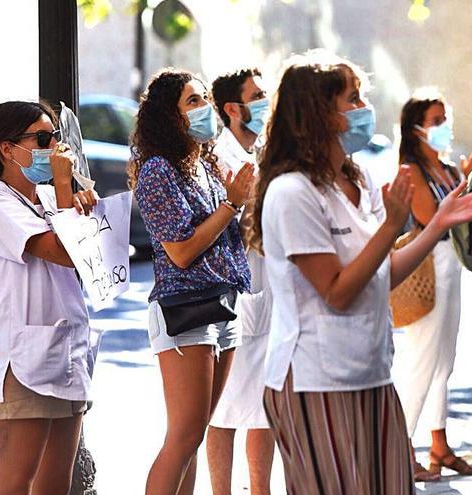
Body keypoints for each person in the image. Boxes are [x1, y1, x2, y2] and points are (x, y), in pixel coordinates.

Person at [253, 51, 472, 495]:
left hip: (371, 372)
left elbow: (382, 273)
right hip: (316, 380)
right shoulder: (292, 192)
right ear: (319, 112)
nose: (364, 107)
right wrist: (390, 226)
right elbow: (337, 291)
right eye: (352, 98)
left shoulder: (359, 178)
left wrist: (438, 222)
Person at [129, 69, 255, 495]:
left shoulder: (204, 165)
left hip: (224, 302)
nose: (205, 108)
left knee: (195, 438)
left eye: (205, 98)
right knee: (182, 438)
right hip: (185, 310)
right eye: (192, 101)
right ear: (170, 115)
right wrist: (231, 204)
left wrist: (241, 206)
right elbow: (181, 251)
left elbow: (225, 233)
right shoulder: (158, 171)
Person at [0, 100, 99, 495]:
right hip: (26, 359)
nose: (53, 149)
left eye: (55, 138)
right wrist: (65, 188)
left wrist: (83, 208)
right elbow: (63, 251)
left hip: (68, 351)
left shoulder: (44, 198)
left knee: (55, 484)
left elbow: (90, 256)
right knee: (13, 481)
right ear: (7, 149)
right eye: (42, 139)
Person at [391, 88, 472, 482]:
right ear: (415, 130)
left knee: (444, 361)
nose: (444, 127)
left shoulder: (447, 168)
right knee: (420, 360)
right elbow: (434, 219)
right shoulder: (411, 172)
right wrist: (467, 184)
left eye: (446, 119)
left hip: (453, 266)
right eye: (435, 121)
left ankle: (439, 444)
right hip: (426, 269)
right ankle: (399, 448)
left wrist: (471, 176)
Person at [208, 67, 277, 495]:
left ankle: (261, 489)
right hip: (236, 289)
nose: (265, 102)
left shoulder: (268, 153)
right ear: (234, 108)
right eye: (258, 95)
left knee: (263, 405)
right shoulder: (217, 158)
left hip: (269, 289)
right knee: (223, 408)